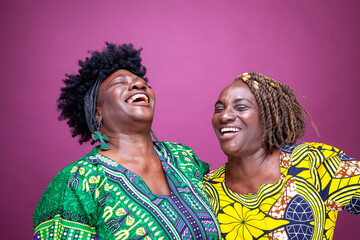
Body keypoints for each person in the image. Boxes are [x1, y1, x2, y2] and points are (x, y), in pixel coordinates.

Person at [33, 42, 221, 240]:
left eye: (143, 82)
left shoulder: (183, 157)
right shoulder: (77, 182)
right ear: (97, 113)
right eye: (119, 83)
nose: (139, 85)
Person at [204, 72, 360, 240]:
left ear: (269, 117)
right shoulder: (206, 190)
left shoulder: (313, 163)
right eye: (219, 109)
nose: (224, 116)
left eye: (241, 107)